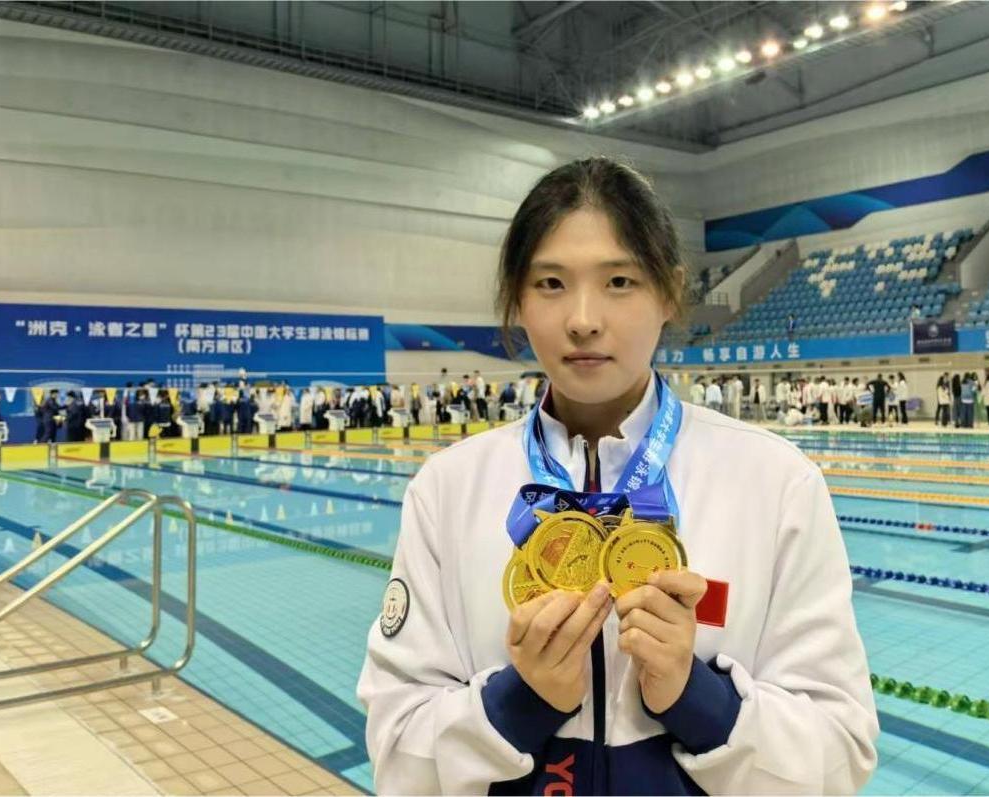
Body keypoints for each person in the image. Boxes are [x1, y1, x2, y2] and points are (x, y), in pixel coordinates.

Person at [357, 158, 878, 795]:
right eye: (551, 283)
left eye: (620, 281)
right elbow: (397, 756)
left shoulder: (776, 484)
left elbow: (841, 752)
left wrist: (698, 699)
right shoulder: (447, 490)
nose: (583, 318)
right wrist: (520, 703)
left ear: (670, 292)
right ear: (518, 298)